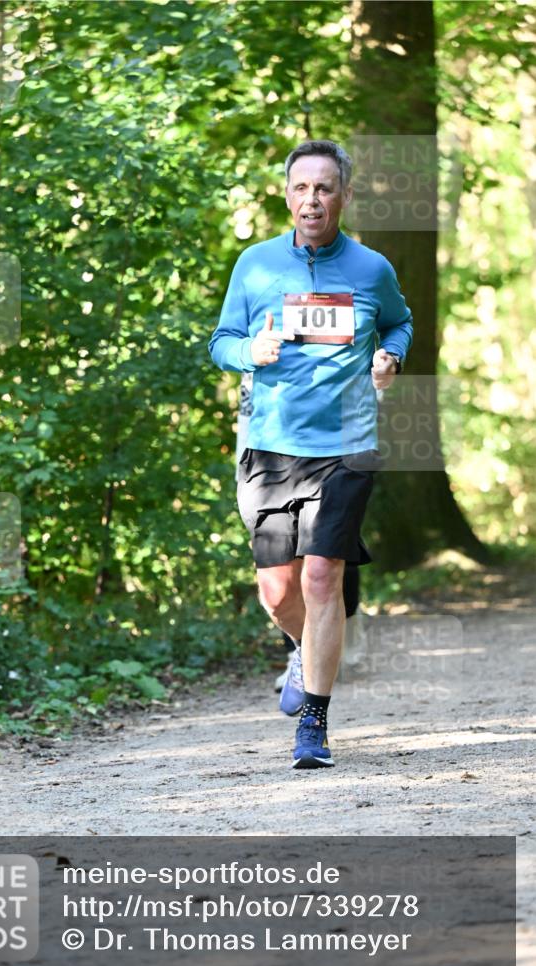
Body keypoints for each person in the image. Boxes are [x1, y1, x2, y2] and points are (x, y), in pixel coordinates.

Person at [210, 139, 412, 769]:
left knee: (323, 574)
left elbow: (399, 323)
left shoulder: (372, 269)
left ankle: (314, 727)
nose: (313, 199)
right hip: (268, 444)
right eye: (302, 188)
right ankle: (305, 646)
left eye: (325, 188)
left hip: (347, 445)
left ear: (344, 197)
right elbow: (222, 340)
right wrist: (251, 353)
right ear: (287, 195)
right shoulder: (256, 265)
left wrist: (391, 356)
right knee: (277, 591)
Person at [236, 370, 364, 694]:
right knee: (283, 567)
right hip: (270, 460)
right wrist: (243, 470)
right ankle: (300, 652)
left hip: (339, 450)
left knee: (331, 554)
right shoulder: (257, 345)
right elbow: (247, 411)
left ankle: (346, 630)